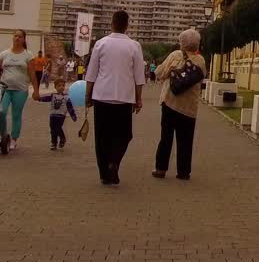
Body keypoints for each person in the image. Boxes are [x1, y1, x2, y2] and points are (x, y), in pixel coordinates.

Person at [84, 10, 144, 186]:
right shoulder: (134, 46)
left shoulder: (101, 44)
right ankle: (114, 162)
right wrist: (138, 98)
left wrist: (88, 95)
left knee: (102, 136)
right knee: (124, 135)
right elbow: (139, 76)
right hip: (124, 97)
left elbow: (91, 73)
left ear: (112, 23)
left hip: (102, 95)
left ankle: (104, 174)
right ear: (127, 26)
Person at [152, 28, 206, 181]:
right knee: (186, 140)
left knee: (166, 137)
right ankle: (183, 172)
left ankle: (161, 169)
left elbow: (159, 73)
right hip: (189, 107)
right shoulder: (201, 61)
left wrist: (169, 72)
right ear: (197, 44)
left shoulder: (175, 55)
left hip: (170, 102)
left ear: (182, 43)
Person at [0, 29, 39, 153]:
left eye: (20, 37)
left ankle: (14, 138)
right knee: (1, 112)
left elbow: (32, 74)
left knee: (16, 114)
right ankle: (4, 137)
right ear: (12, 38)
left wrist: (36, 91)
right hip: (5, 88)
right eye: (15, 36)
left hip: (20, 89)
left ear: (24, 39)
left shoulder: (28, 55)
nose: (17, 38)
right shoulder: (4, 54)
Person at [39, 78, 78, 150]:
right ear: (55, 87)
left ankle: (62, 138)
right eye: (59, 86)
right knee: (52, 129)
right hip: (53, 115)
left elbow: (70, 107)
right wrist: (39, 98)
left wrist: (73, 116)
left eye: (63, 85)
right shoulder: (53, 95)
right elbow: (46, 99)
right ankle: (54, 143)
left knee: (58, 128)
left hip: (61, 115)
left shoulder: (66, 97)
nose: (61, 87)